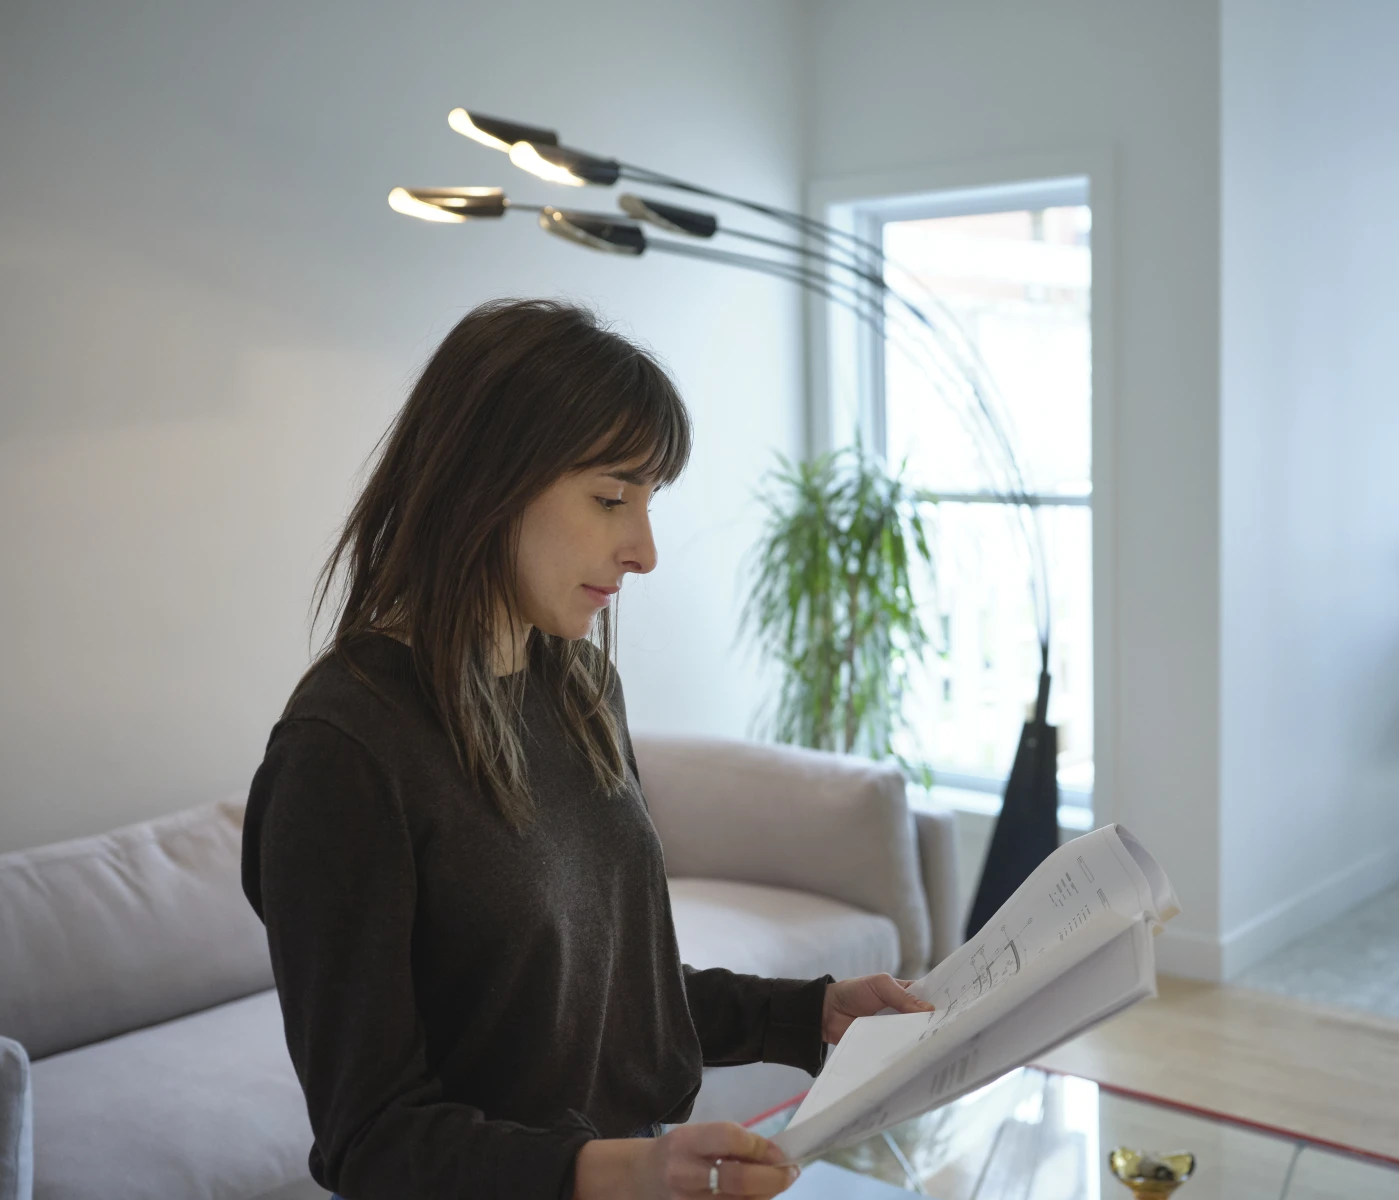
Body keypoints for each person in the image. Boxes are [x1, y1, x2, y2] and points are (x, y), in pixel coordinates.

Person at [240, 298, 932, 1200]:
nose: (642, 549)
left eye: (648, 503)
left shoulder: (578, 689)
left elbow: (605, 995)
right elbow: (371, 1140)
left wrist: (810, 1013)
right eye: (611, 498)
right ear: (482, 481)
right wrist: (621, 1171)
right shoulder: (344, 752)